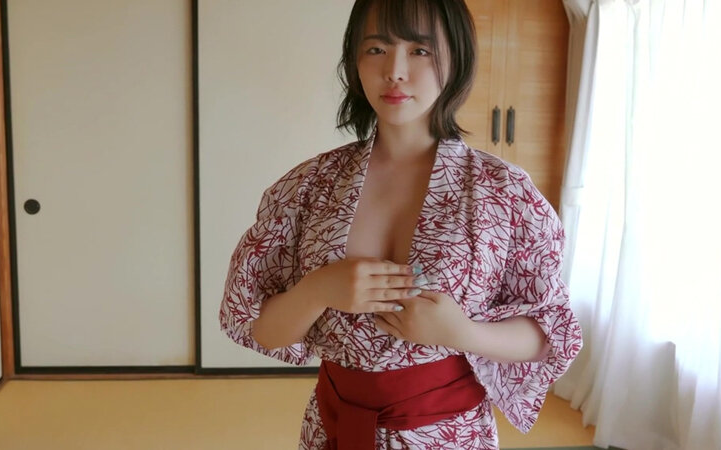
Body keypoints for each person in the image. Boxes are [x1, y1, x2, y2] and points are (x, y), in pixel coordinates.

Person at [219, 0, 582, 448]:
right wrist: (317, 290)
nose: (394, 71)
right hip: (333, 427)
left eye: (420, 50)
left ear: (457, 58)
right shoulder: (308, 186)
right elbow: (262, 328)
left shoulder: (504, 192)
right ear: (354, 61)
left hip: (449, 435)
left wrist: (462, 334)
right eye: (376, 49)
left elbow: (548, 333)